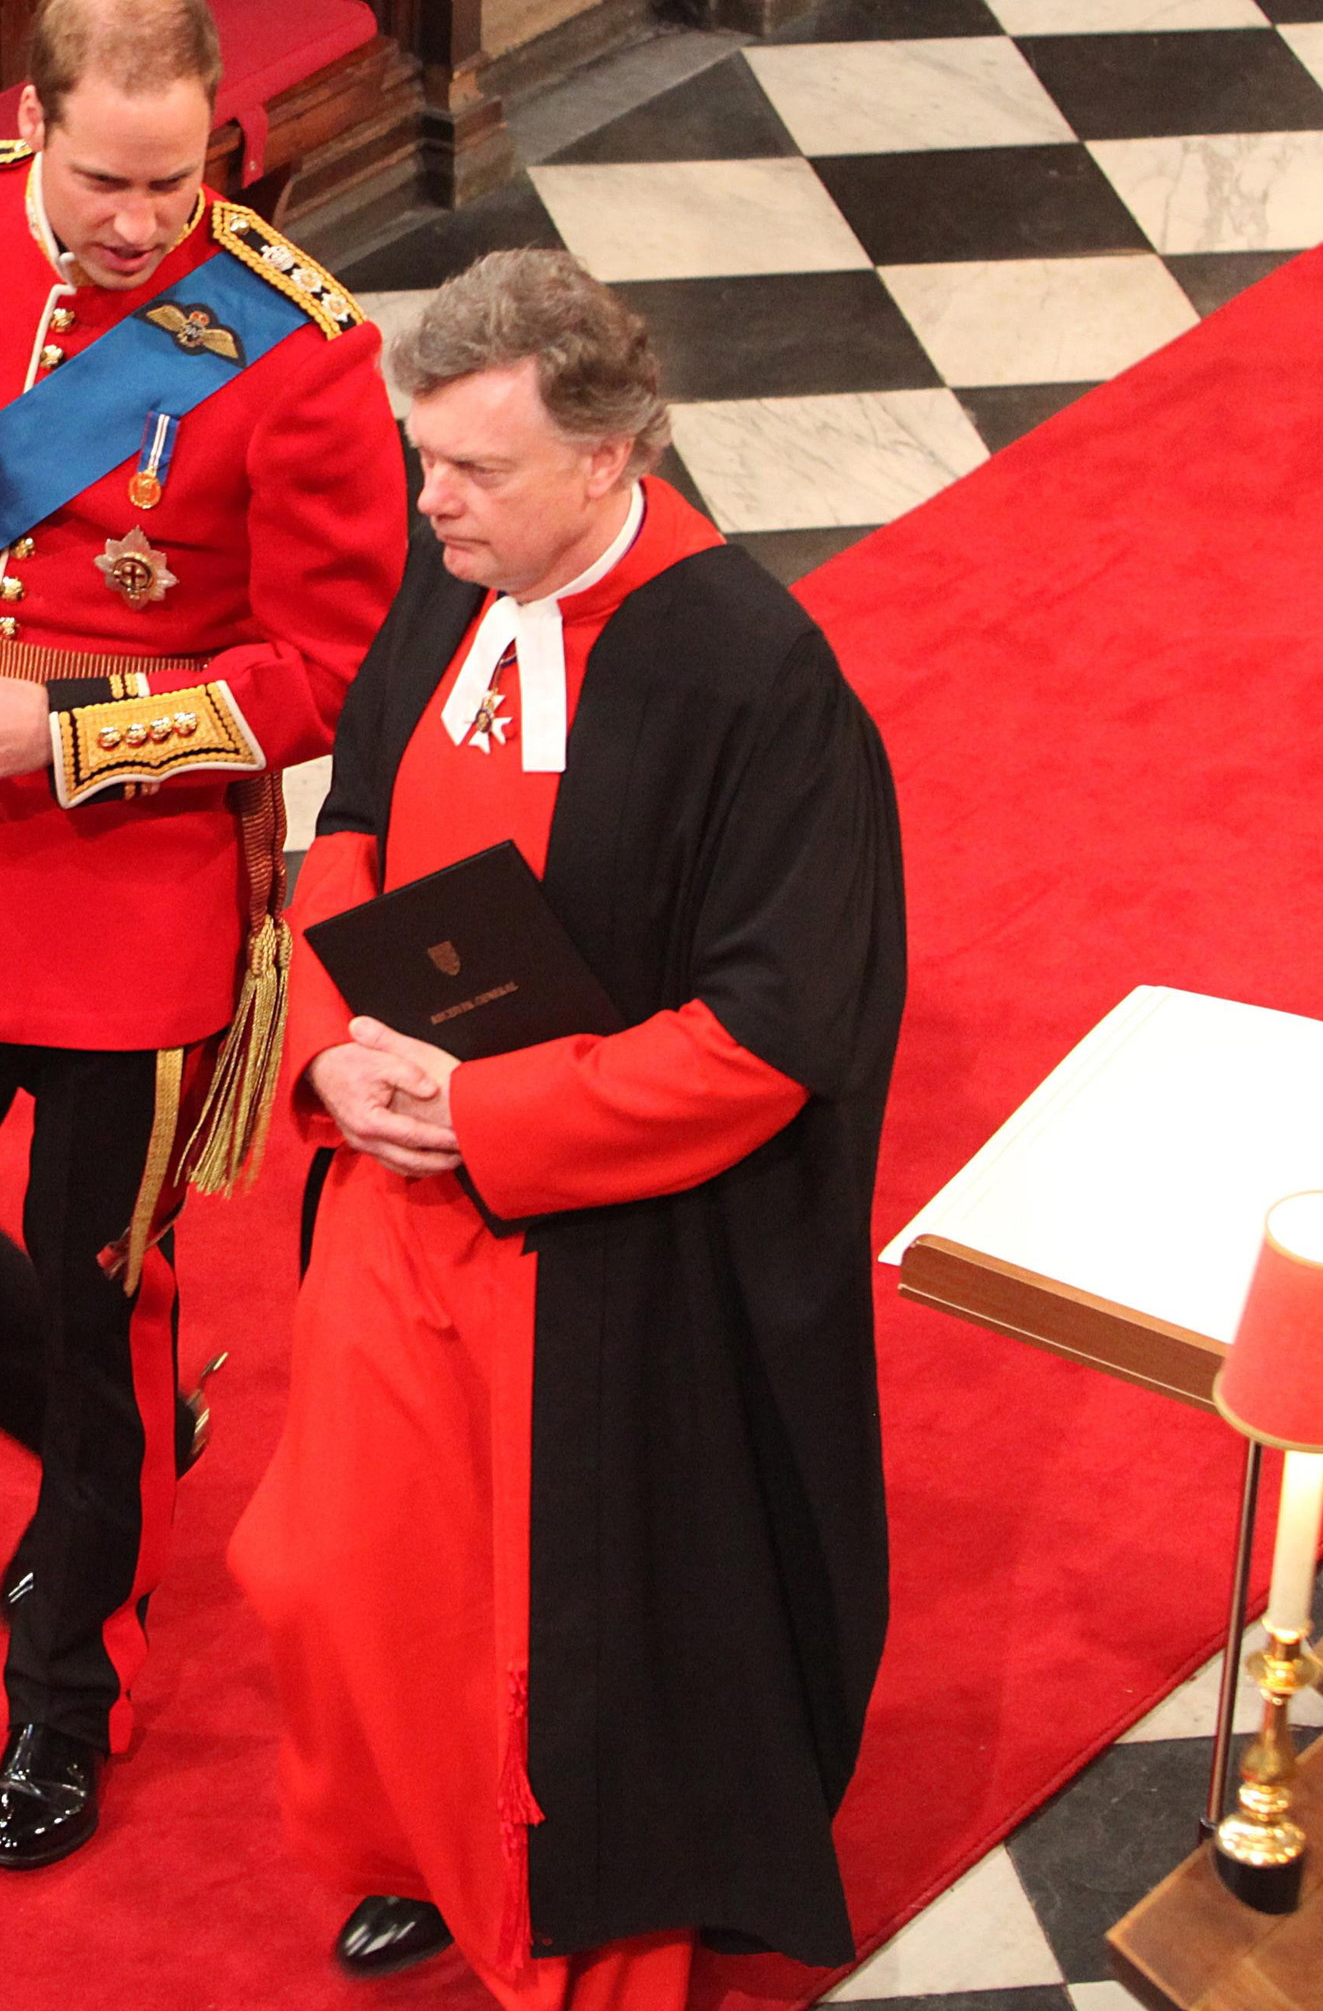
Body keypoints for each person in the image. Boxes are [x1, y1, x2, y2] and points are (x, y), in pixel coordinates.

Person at [0, 0, 409, 1868]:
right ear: (28, 125)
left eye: (182, 182)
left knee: (93, 1280)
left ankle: (77, 1673)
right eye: (108, 181)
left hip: (137, 900)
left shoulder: (296, 345)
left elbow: (331, 658)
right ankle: (107, 1451)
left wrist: (62, 733)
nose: (145, 226)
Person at [228, 250, 905, 2005]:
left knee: (551, 1640)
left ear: (609, 460)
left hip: (605, 1253)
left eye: (475, 469)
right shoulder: (458, 580)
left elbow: (774, 1036)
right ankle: (421, 1853)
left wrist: (493, 1111)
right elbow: (355, 823)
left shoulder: (756, 679)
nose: (431, 500)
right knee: (327, 1575)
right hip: (402, 1187)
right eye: (422, 458)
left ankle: (563, 1931)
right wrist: (329, 1056)